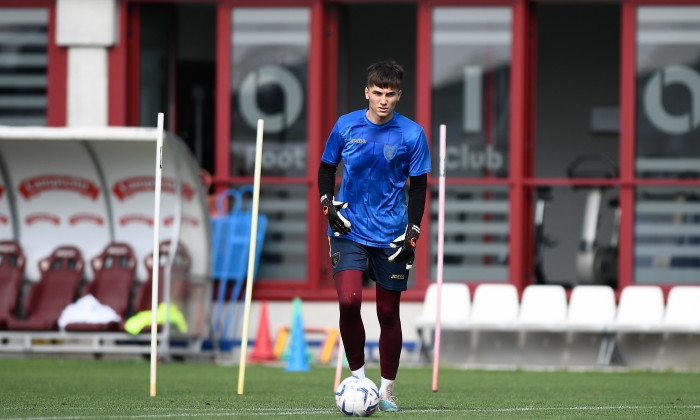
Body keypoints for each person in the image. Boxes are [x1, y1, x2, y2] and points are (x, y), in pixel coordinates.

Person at [318, 60, 431, 412]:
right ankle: (357, 381)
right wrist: (327, 205)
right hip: (348, 229)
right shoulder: (345, 125)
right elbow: (326, 168)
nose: (383, 100)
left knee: (388, 312)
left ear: (399, 95)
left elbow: (419, 187)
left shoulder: (412, 134)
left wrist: (413, 231)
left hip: (391, 234)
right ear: (367, 92)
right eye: (377, 93)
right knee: (350, 301)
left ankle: (386, 391)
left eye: (390, 94)